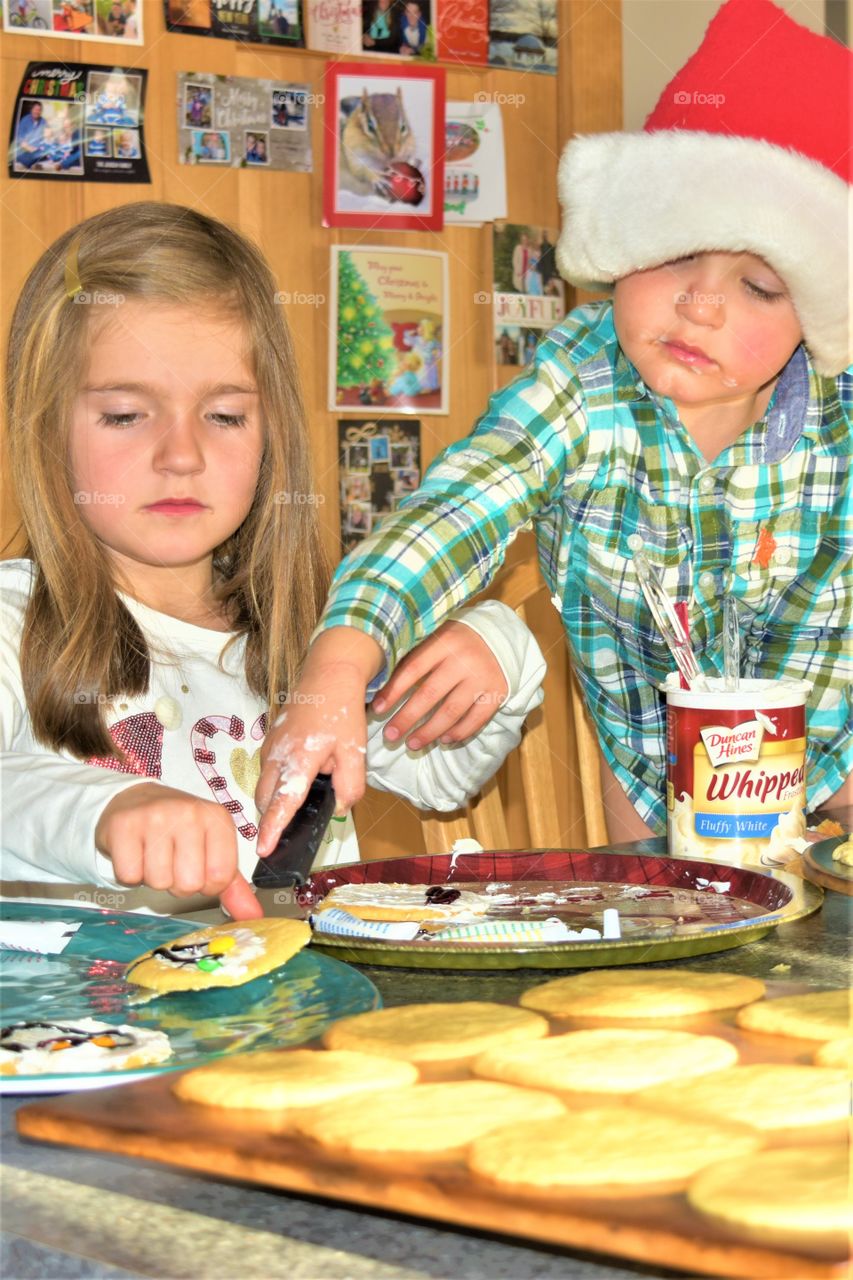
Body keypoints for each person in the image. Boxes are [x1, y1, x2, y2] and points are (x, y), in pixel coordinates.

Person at [254, 0, 851, 858]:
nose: (700, 301)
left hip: (838, 737)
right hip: (653, 766)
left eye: (758, 287)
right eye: (673, 251)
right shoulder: (580, 381)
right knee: (678, 944)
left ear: (819, 316)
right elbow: (455, 511)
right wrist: (339, 666)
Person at [1, 203, 546, 915]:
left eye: (224, 416)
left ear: (269, 434)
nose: (181, 456)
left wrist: (498, 649)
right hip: (87, 1024)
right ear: (46, 428)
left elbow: (441, 772)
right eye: (127, 415)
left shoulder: (318, 636)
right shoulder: (16, 622)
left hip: (303, 1015)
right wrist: (105, 811)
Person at [15, 101, 48, 170]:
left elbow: (46, 138)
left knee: (47, 152)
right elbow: (21, 141)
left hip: (38, 150)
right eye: (35, 109)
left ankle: (32, 162)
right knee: (20, 155)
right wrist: (32, 149)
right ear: (31, 110)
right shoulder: (24, 120)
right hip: (25, 150)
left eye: (39, 110)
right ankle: (32, 163)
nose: (37, 112)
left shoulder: (43, 121)